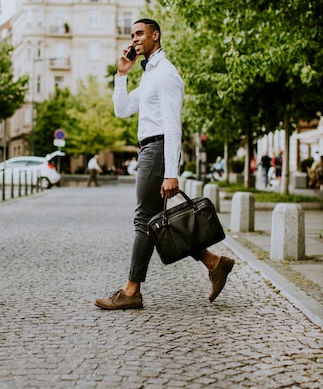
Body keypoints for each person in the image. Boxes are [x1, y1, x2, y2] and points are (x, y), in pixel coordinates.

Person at [95, 19, 234, 310]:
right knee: (157, 222)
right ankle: (214, 263)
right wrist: (122, 74)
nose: (134, 39)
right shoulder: (149, 75)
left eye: (140, 34)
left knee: (143, 220)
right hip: (149, 148)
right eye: (132, 35)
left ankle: (131, 290)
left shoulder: (167, 73)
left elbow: (173, 126)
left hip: (158, 149)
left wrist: (171, 172)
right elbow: (122, 110)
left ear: (155, 36)